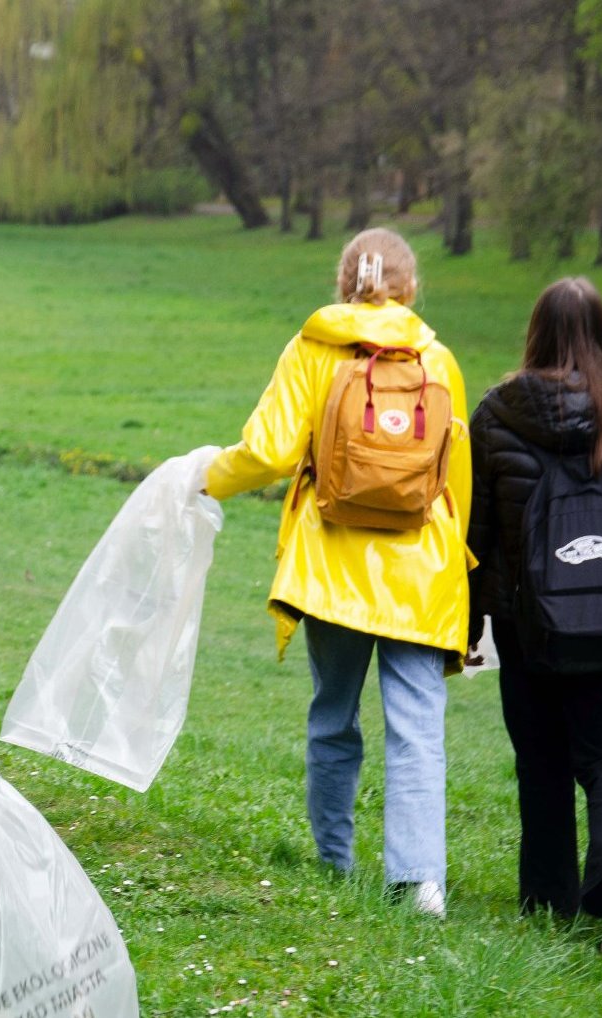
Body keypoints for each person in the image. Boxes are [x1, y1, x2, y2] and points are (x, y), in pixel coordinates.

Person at [204, 227, 470, 917]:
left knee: (333, 716)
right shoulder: (436, 358)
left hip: (332, 566)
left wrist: (207, 479)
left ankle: (333, 859)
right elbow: (457, 477)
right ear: (409, 287)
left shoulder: (313, 348)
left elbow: (266, 451)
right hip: (422, 572)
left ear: (343, 282)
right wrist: (458, 564)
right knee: (417, 726)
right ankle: (419, 883)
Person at [466, 277, 602, 957]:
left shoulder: (495, 414)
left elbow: (478, 531)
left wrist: (468, 625)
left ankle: (546, 896)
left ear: (535, 331)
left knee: (541, 759)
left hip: (529, 625)